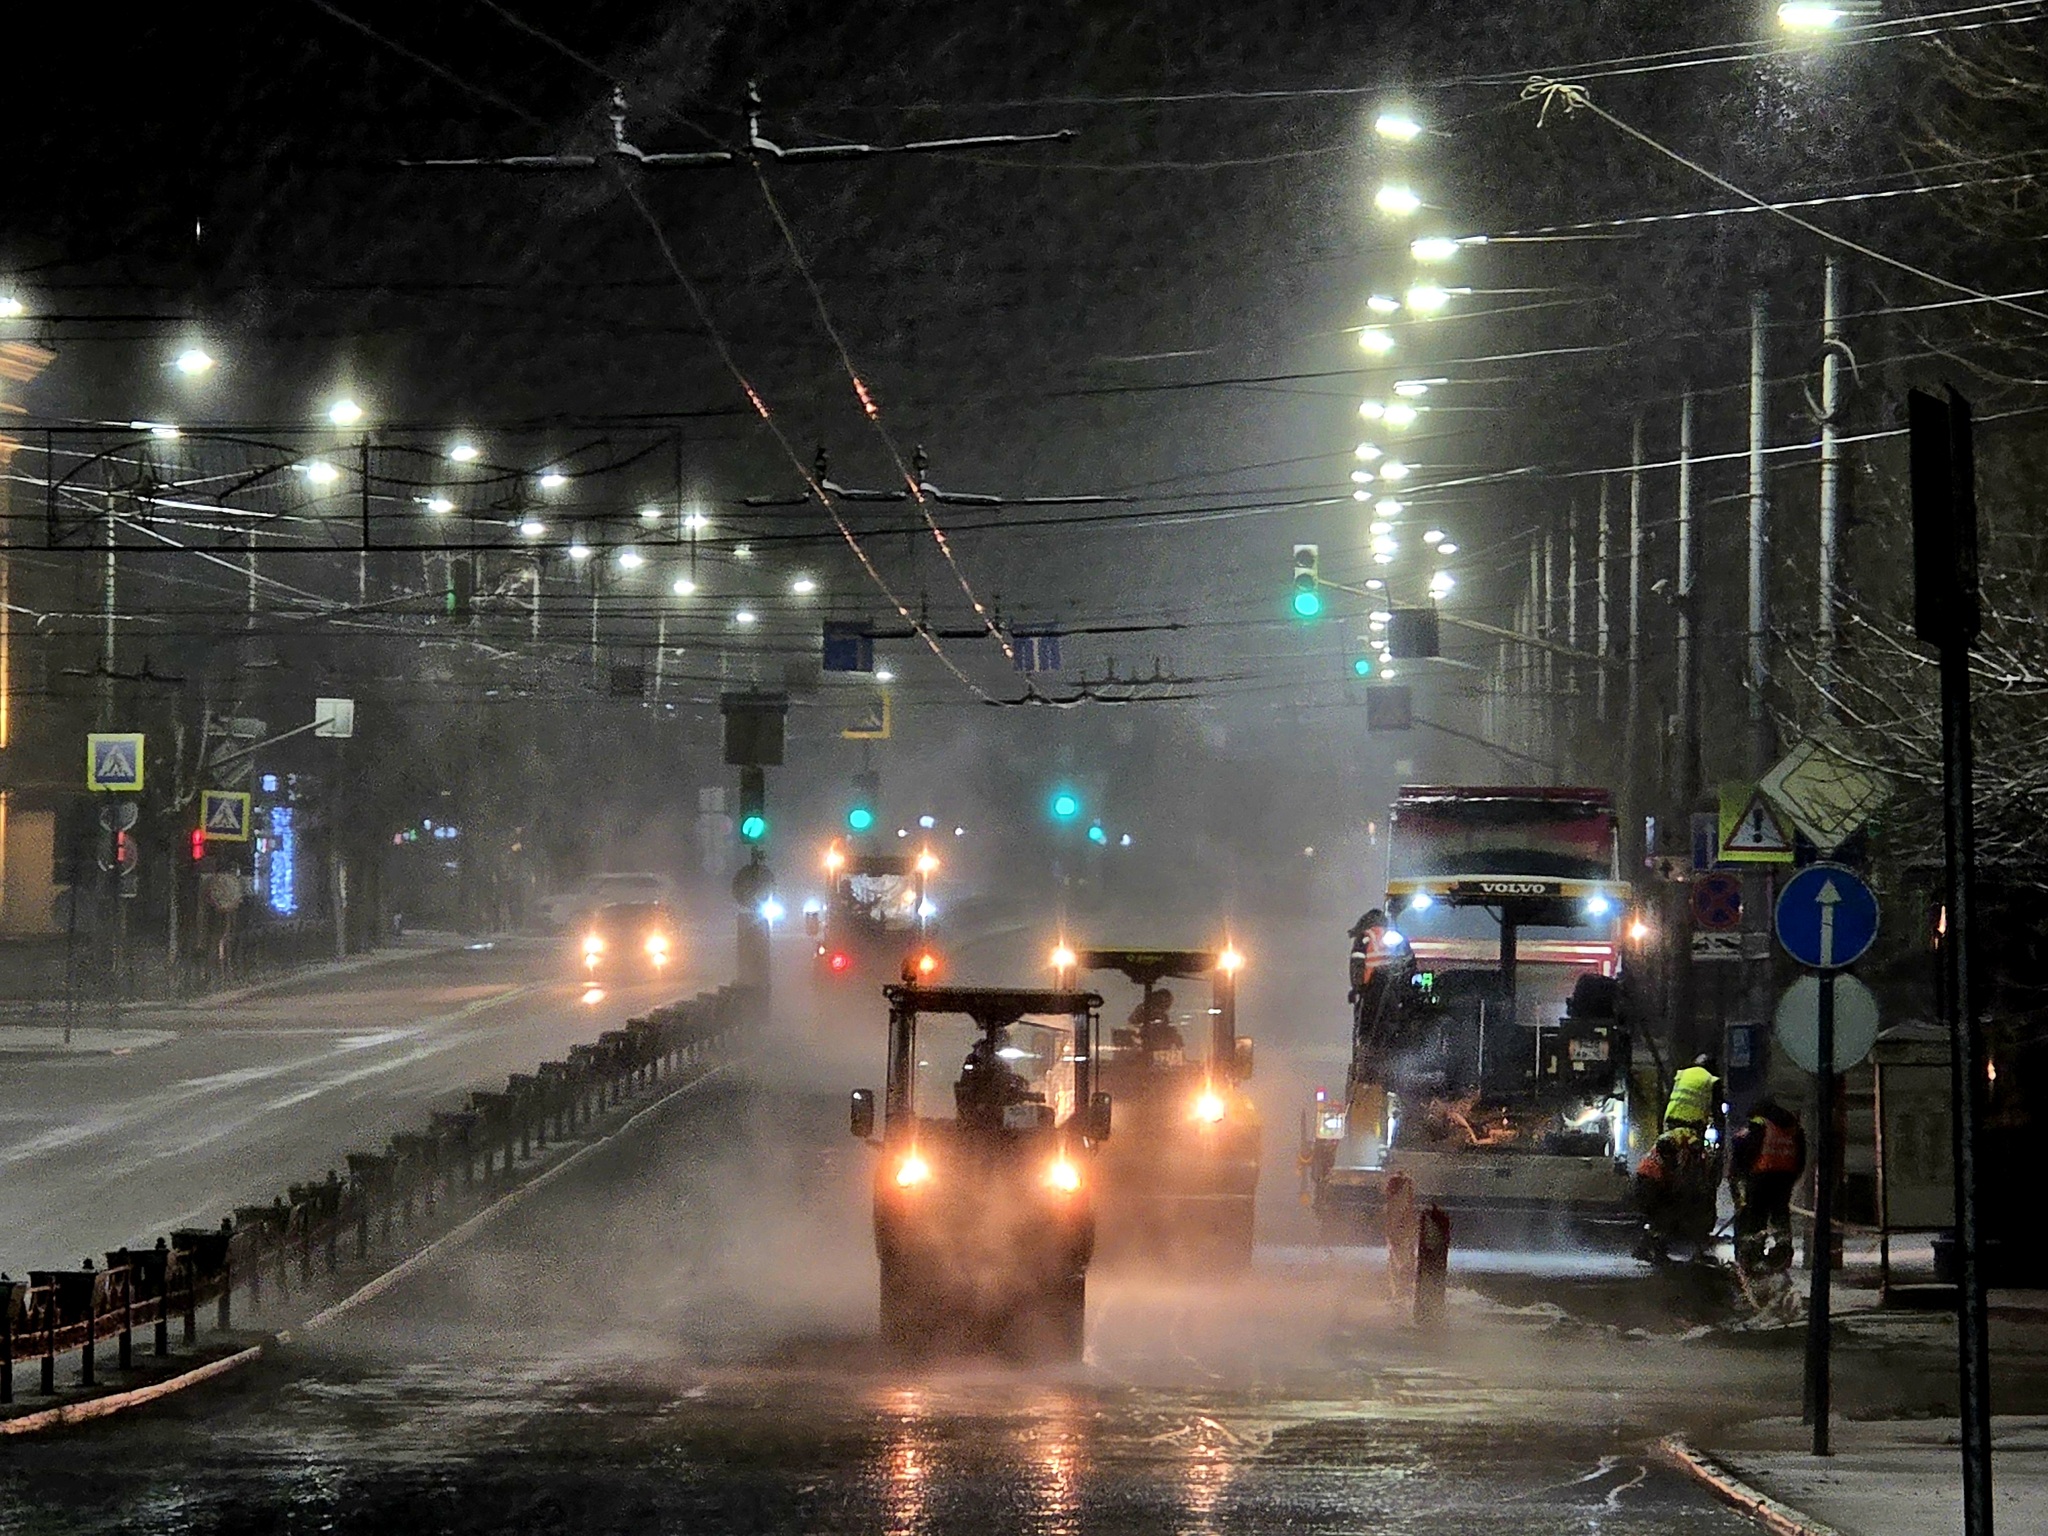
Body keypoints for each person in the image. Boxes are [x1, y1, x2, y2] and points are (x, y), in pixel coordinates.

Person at [1730, 1097, 1807, 1269]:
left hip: (1761, 1174)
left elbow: (1745, 1146)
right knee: (1780, 1213)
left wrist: (1741, 1172)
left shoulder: (1759, 1123)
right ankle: (1782, 1251)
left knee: (1755, 1214)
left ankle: (1752, 1253)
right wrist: (1794, 1176)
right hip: (1785, 1176)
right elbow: (1801, 1155)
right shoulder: (1793, 1126)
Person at [955, 1031, 1029, 1128]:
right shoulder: (975, 1060)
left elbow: (1010, 1085)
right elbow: (969, 1085)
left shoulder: (1005, 1067)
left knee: (1044, 1116)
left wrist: (1020, 1087)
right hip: (978, 1113)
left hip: (1005, 1113)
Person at [1663, 1053, 1721, 1139]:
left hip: (1672, 1120)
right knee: (1693, 1149)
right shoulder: (1711, 1080)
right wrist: (1720, 1128)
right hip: (1694, 1125)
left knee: (1667, 1146)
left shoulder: (1681, 1074)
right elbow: (1716, 1109)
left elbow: (1668, 1099)